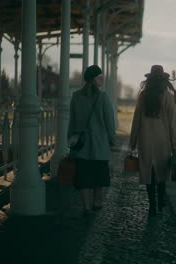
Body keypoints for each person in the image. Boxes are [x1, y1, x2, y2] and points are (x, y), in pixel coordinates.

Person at [129, 65, 176, 216]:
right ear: (164, 81)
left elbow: (136, 120)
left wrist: (132, 142)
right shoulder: (168, 97)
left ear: (149, 80)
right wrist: (174, 146)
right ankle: (160, 204)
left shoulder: (143, 96)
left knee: (148, 172)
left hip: (145, 139)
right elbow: (172, 124)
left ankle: (152, 205)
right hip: (162, 140)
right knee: (162, 172)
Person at [68, 65, 116, 216]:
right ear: (93, 80)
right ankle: (96, 202)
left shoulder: (76, 96)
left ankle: (86, 206)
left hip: (81, 145)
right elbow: (110, 122)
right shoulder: (103, 97)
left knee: (83, 176)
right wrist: (111, 139)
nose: (102, 78)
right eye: (99, 76)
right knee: (98, 175)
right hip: (100, 144)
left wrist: (70, 140)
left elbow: (72, 120)